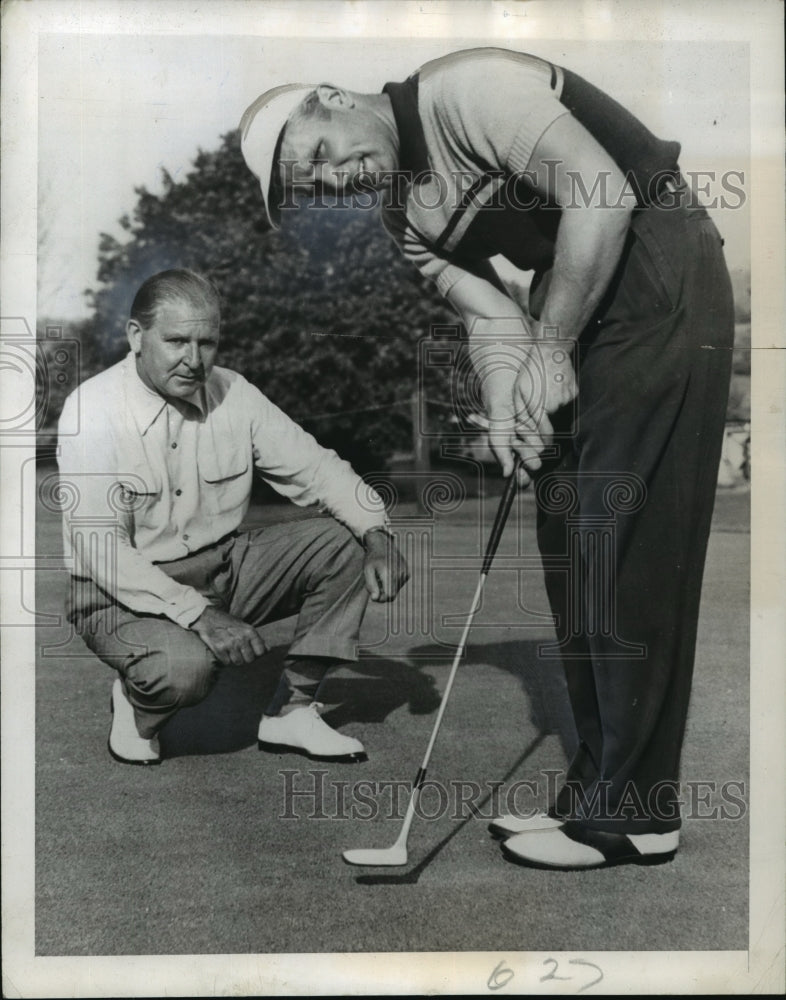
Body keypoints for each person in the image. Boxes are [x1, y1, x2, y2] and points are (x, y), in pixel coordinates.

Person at [239, 47, 734, 870]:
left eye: (319, 156)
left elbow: (601, 193)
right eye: (313, 189)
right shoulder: (404, 220)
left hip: (659, 264)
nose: (335, 182)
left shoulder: (466, 91)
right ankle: (597, 786)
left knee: (621, 542)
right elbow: (487, 317)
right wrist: (508, 399)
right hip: (573, 295)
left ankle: (639, 814)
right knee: (567, 550)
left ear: (332, 99)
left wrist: (554, 349)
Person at [57, 269, 408, 767]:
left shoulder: (234, 392)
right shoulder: (90, 410)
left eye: (207, 342)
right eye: (176, 341)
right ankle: (138, 702)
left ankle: (293, 710)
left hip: (224, 566)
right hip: (115, 592)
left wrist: (376, 531)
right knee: (185, 670)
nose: (194, 360)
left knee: (347, 540)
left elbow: (318, 469)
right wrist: (199, 614)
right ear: (136, 336)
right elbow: (102, 551)